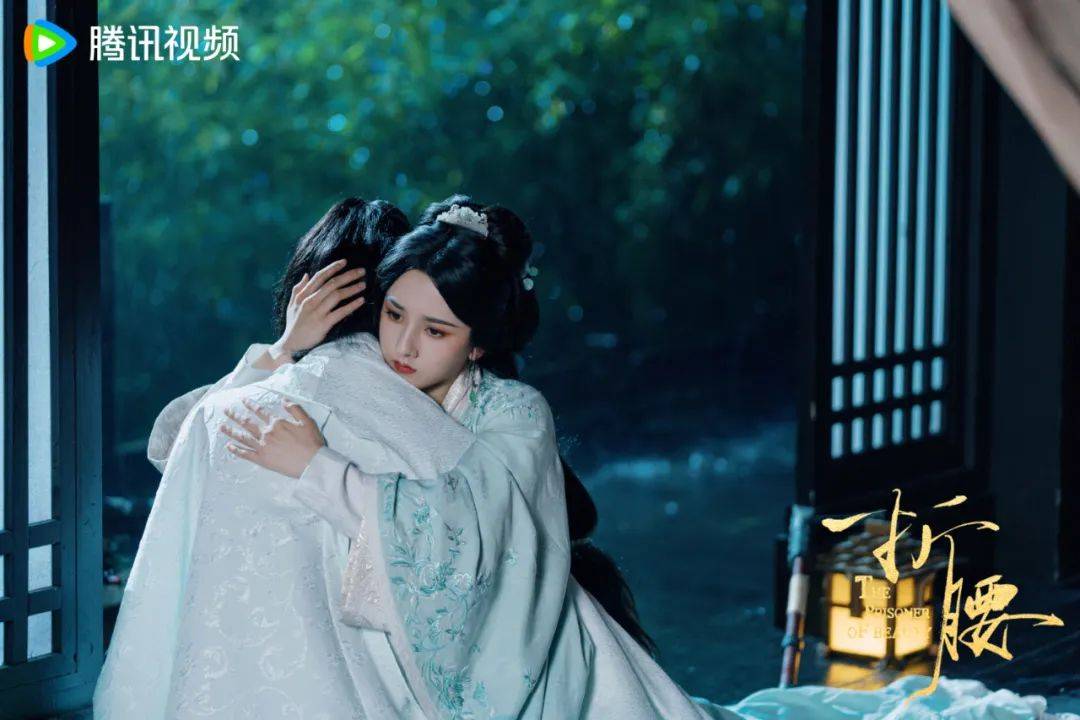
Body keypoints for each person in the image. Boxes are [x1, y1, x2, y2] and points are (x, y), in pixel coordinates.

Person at [225, 197, 1079, 720]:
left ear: (479, 343)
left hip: (550, 668)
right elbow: (183, 436)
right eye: (394, 316)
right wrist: (283, 349)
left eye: (436, 329)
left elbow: (462, 537)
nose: (405, 346)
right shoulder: (380, 385)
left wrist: (321, 472)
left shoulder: (514, 413)